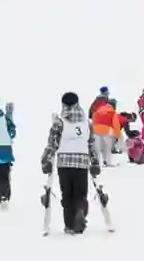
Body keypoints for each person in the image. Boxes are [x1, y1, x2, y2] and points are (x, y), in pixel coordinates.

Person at [40, 92, 101, 235]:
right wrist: (95, 162)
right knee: (80, 194)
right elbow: (91, 143)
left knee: (67, 195)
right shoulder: (87, 122)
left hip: (64, 163)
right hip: (82, 162)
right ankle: (80, 211)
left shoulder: (59, 121)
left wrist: (46, 159)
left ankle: (69, 225)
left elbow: (52, 143)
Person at [91, 98, 123, 167]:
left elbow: (93, 120)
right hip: (107, 130)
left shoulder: (98, 110)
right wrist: (117, 136)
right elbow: (116, 125)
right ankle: (108, 162)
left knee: (98, 148)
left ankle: (98, 163)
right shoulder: (112, 112)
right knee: (107, 147)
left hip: (96, 130)